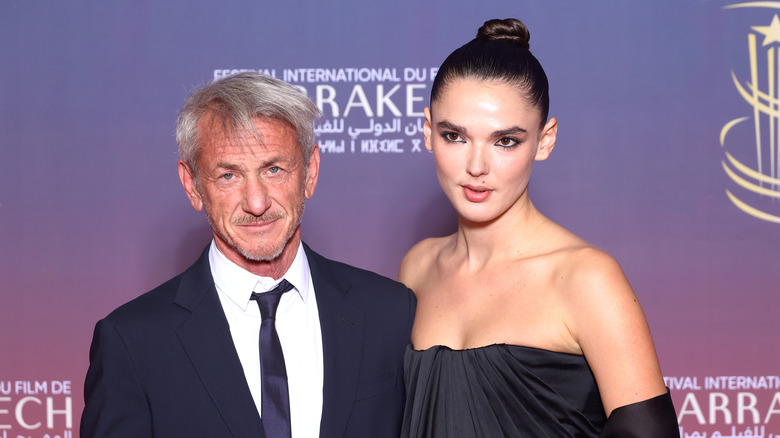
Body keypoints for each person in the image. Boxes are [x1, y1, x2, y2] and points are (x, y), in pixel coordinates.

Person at [81, 72, 416, 438]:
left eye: (274, 169)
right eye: (228, 176)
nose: (256, 203)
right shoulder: (133, 343)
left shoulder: (389, 313)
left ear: (310, 172)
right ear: (192, 186)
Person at [398, 18, 679, 437]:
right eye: (455, 136)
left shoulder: (585, 277)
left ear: (545, 140)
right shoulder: (417, 266)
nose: (476, 166)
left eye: (505, 141)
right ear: (427, 132)